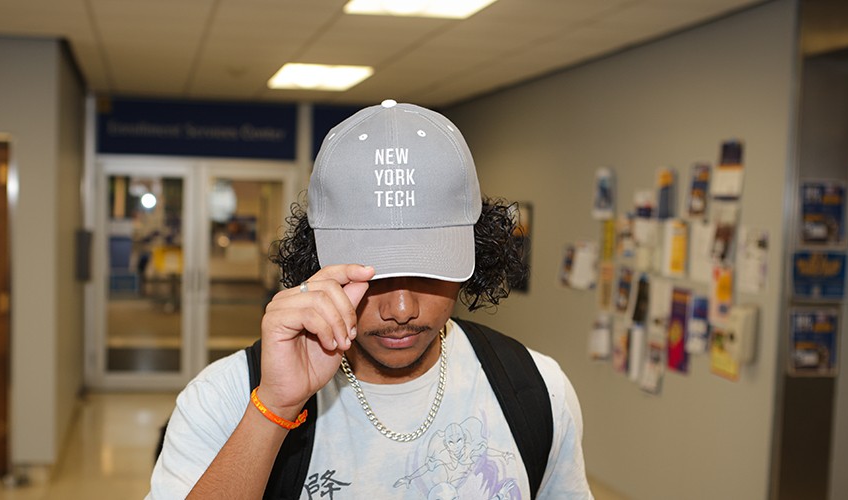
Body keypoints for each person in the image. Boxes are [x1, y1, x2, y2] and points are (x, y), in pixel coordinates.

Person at [148, 100, 592, 499]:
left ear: (476, 254)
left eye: (429, 269)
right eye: (371, 274)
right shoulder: (224, 398)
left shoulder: (536, 388)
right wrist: (274, 410)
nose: (401, 310)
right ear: (317, 259)